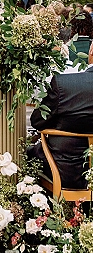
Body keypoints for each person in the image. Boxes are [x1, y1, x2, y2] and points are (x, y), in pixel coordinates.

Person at [27, 42, 93, 188]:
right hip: (71, 171)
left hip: (67, 174)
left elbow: (38, 121)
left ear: (91, 51)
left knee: (27, 154)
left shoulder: (65, 84)